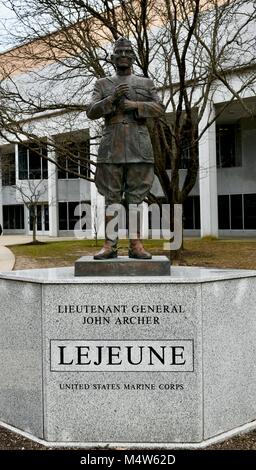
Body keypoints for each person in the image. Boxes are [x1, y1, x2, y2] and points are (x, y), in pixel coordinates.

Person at [86, 37, 164, 260]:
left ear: (132, 57)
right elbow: (90, 110)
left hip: (139, 146)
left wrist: (135, 105)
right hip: (112, 147)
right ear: (112, 58)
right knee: (112, 197)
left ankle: (136, 244)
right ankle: (110, 245)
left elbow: (159, 107)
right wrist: (111, 99)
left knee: (136, 198)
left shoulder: (145, 83)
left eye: (127, 52)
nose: (123, 55)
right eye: (118, 52)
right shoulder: (102, 84)